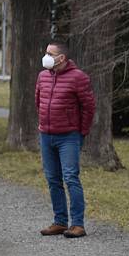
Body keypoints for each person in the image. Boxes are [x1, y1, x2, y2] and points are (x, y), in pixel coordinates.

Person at [35, 39, 96, 239]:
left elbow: (88, 106)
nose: (46, 57)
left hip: (69, 136)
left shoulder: (78, 77)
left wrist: (81, 132)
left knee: (70, 178)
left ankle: (77, 224)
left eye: (50, 54)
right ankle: (60, 221)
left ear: (61, 58)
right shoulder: (43, 76)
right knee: (53, 179)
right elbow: (39, 102)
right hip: (46, 135)